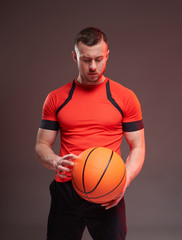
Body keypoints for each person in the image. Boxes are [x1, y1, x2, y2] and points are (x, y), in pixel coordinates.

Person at [35, 27, 145, 240]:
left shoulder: (125, 97)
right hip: (66, 189)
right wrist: (56, 161)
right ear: (75, 56)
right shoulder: (56, 98)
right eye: (86, 59)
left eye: (99, 59)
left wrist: (124, 180)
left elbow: (138, 146)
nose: (93, 66)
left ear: (107, 55)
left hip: (107, 190)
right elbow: (41, 146)